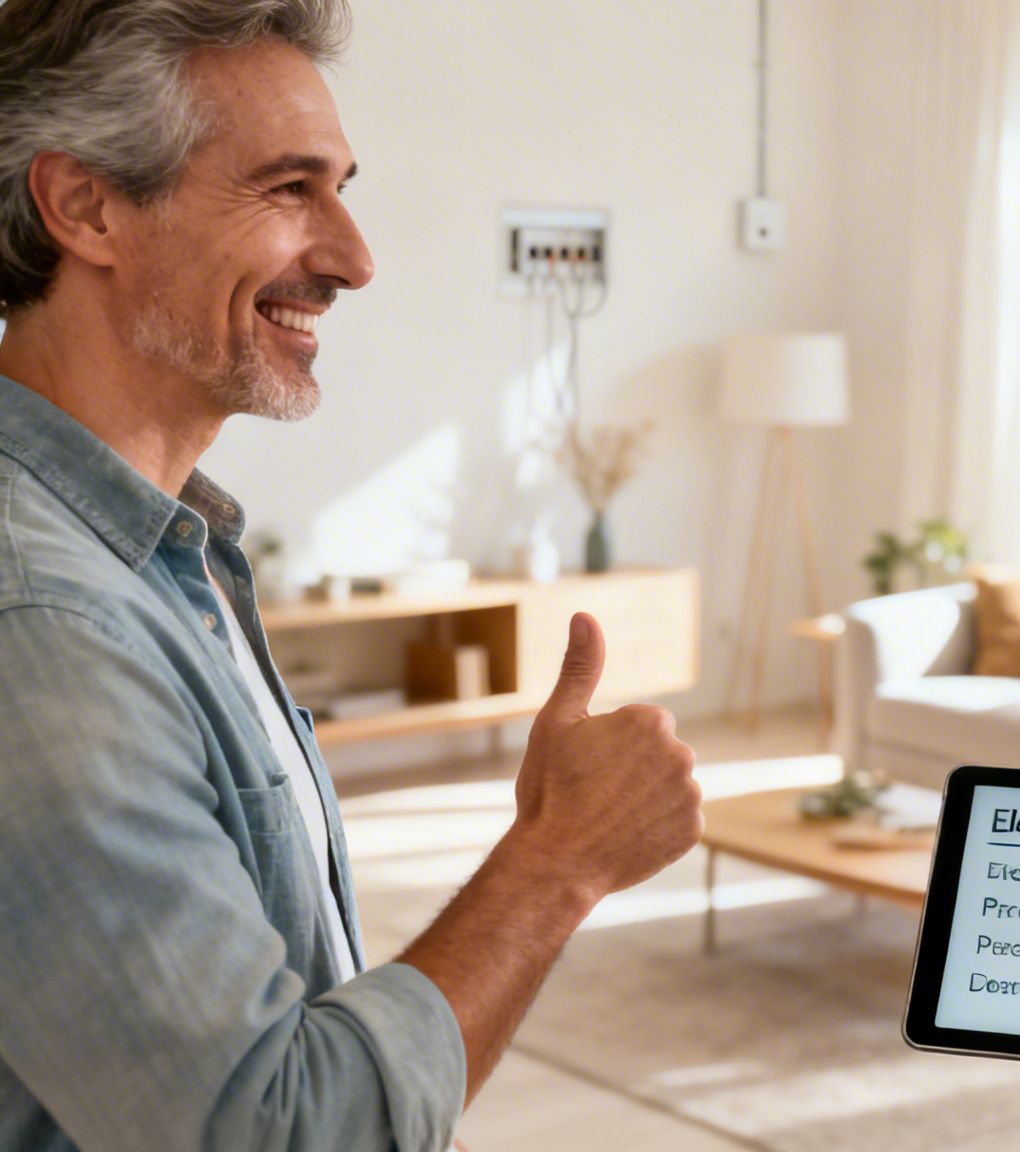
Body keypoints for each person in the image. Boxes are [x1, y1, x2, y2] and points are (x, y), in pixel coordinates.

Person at [0, 2, 703, 1148]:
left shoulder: (168, 552)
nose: (354, 258)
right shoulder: (42, 624)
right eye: (287, 190)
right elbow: (277, 1133)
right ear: (85, 207)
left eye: (342, 187)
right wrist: (557, 864)